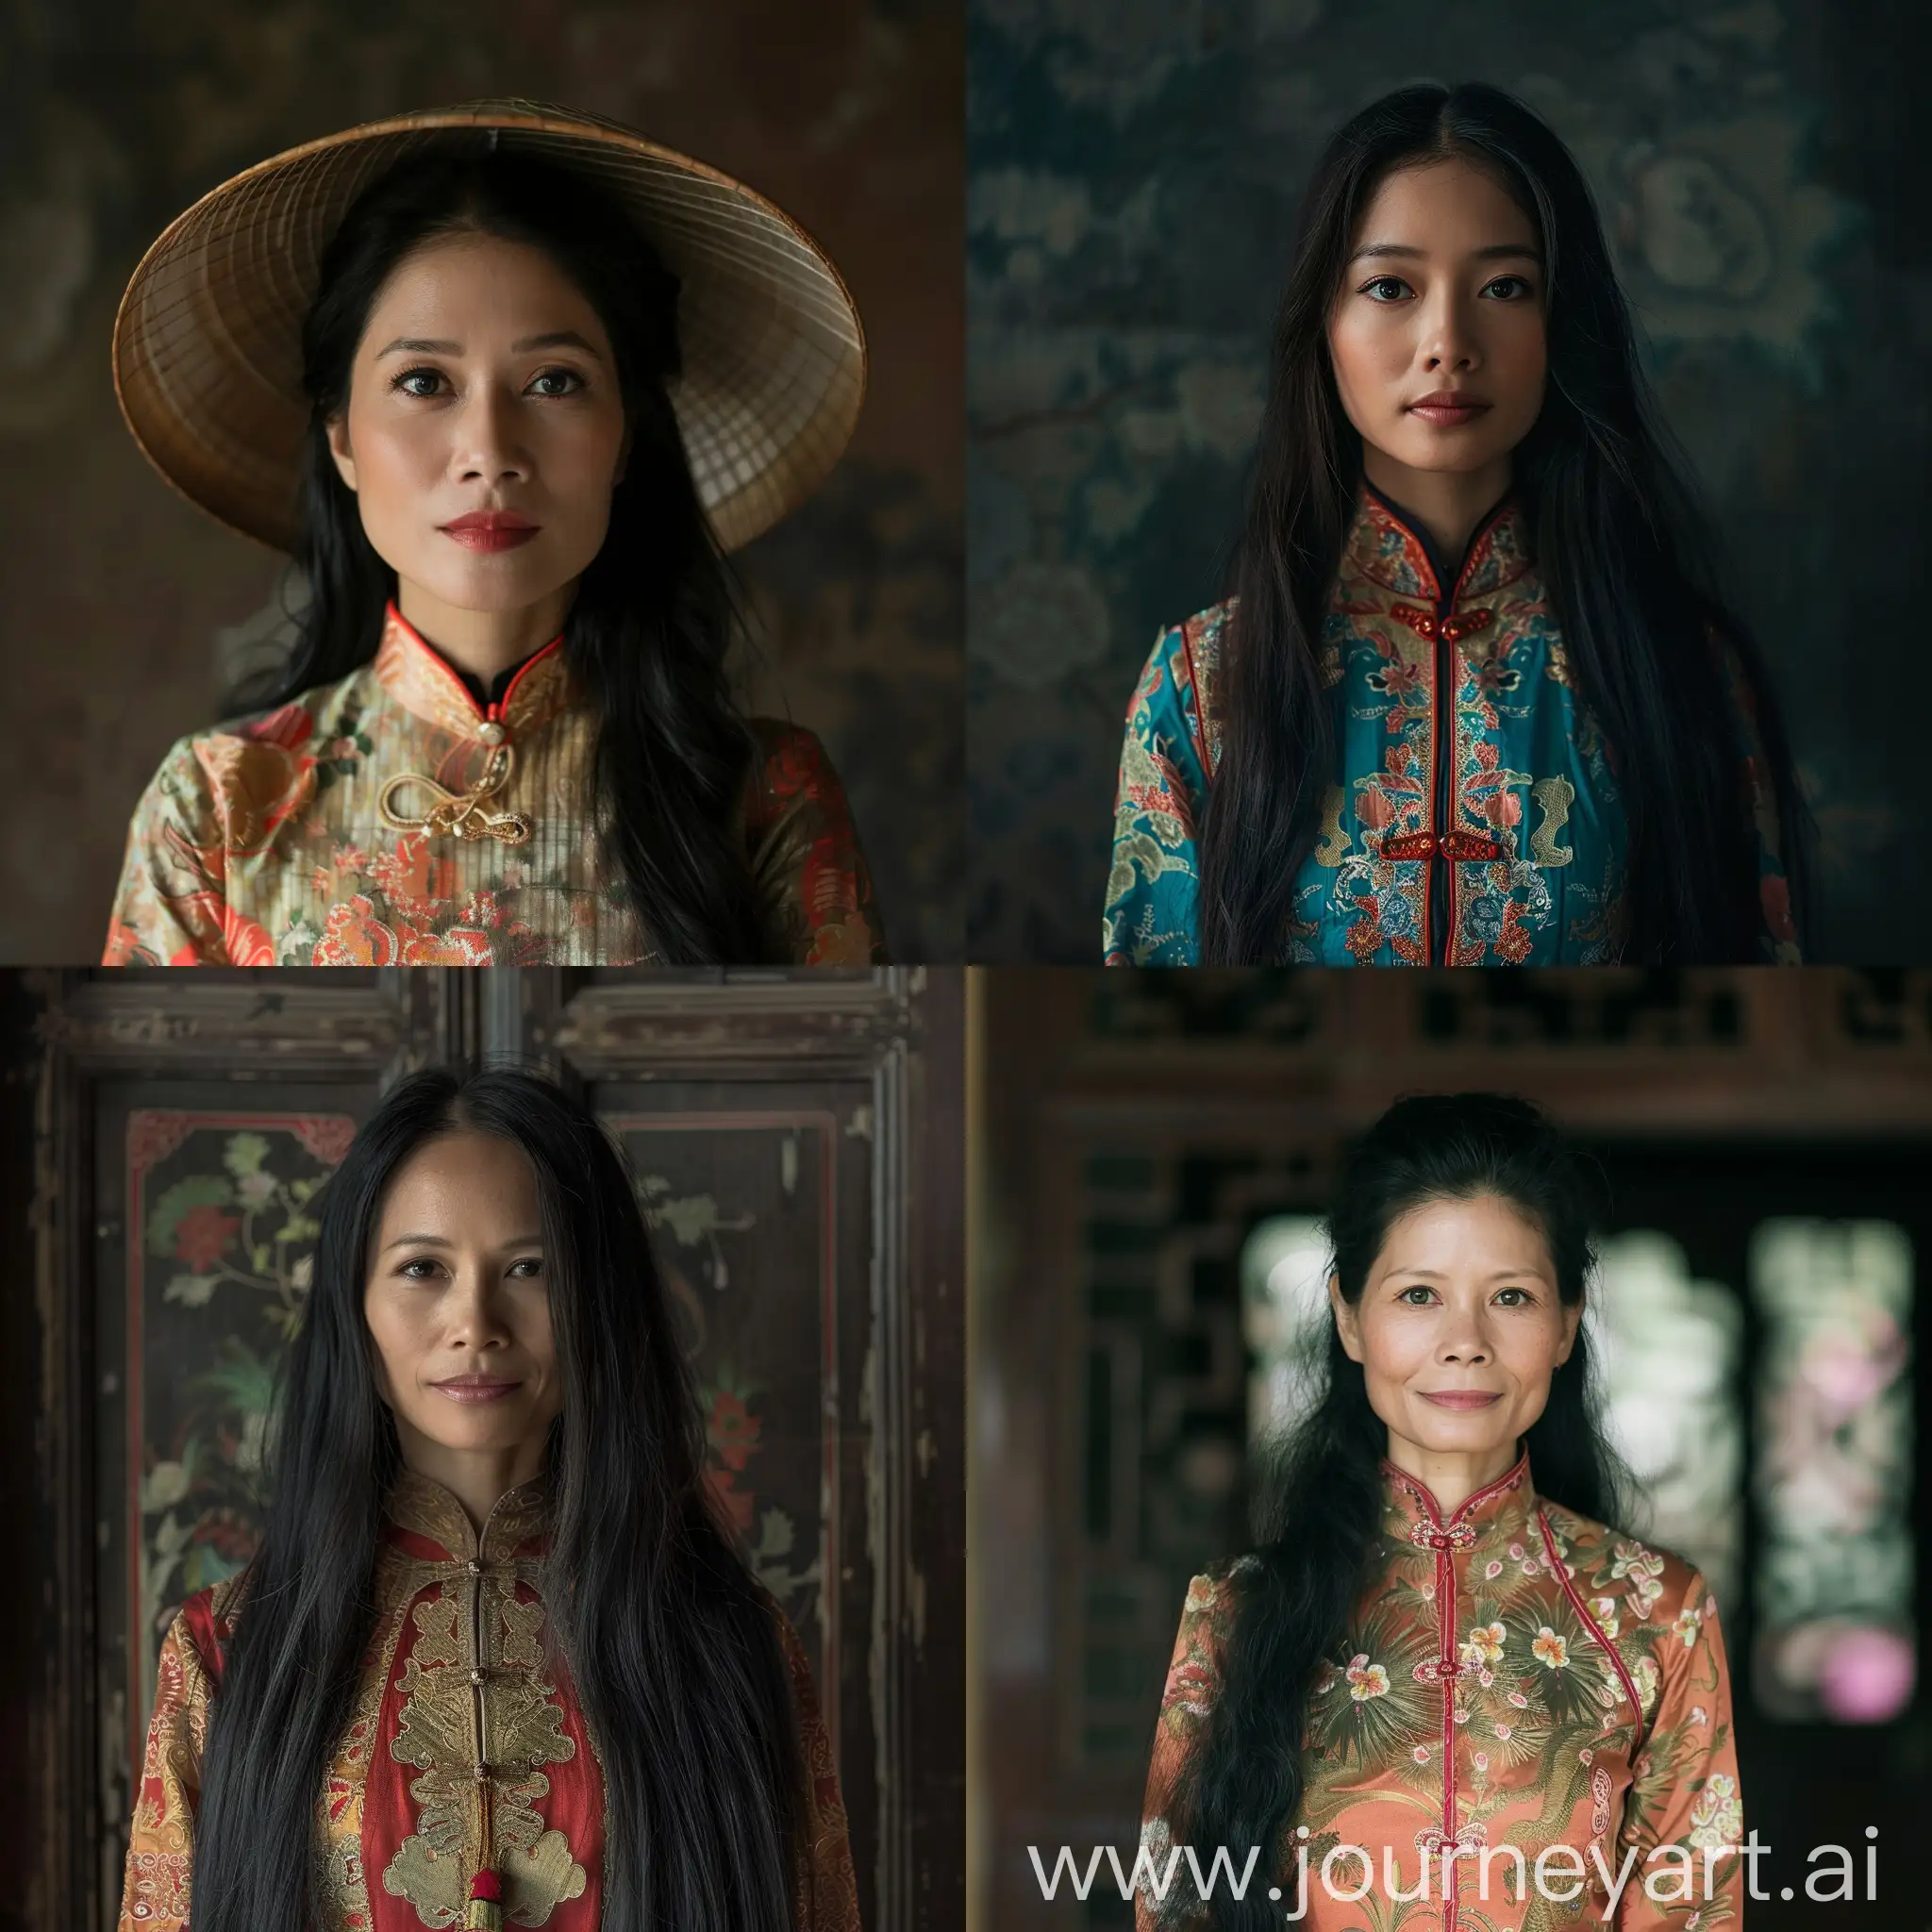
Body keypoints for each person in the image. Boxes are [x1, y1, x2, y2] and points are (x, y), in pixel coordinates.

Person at [106, 101, 884, 967]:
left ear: (626, 437)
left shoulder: (767, 798)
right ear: (341, 436)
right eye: (424, 380)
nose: (488, 452)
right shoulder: (218, 806)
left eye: (553, 381)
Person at [118, 1067, 860, 1932]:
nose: (475, 1321)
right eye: (423, 1268)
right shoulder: (229, 1652)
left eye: (530, 1267)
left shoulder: (728, 1642)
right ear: (353, 1308)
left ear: (598, 1304)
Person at [1104, 82, 1805, 967]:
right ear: (1324, 321)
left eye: (1505, 286)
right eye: (1391, 286)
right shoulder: (1203, 690)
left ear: (1563, 321)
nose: (1447, 340)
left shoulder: (1683, 671)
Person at [1138, 1094, 1741, 1930]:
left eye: (1513, 1298)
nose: (1466, 1341)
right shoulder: (1235, 1615)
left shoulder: (1656, 1615)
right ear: (1350, 1317)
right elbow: (1178, 1913)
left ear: (1568, 1323)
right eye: (1419, 1295)